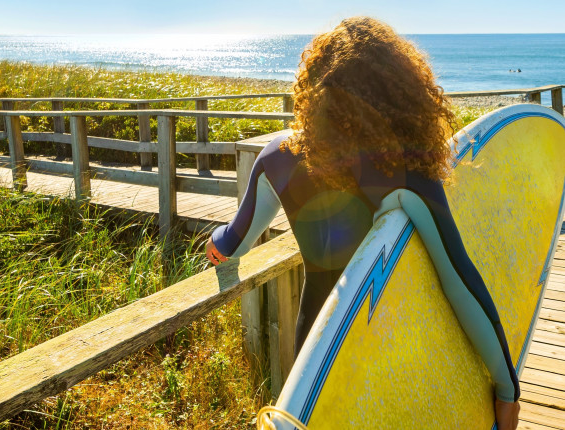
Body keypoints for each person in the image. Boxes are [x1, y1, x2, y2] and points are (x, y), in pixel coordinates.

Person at [205, 17, 520, 429]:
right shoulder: (405, 172)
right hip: (383, 355)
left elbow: (233, 241)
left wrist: (216, 247)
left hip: (313, 353)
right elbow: (460, 281)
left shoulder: (276, 157)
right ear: (398, 88)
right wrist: (507, 389)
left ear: (314, 89)